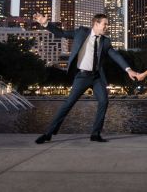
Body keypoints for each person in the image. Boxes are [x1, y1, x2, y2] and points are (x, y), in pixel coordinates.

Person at [33, 13, 138, 144]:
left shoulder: (105, 41)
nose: (107, 26)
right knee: (68, 104)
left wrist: (128, 69)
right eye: (105, 24)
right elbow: (61, 33)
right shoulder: (81, 32)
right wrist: (45, 23)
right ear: (96, 23)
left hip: (97, 77)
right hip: (82, 76)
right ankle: (48, 133)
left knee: (104, 101)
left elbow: (115, 55)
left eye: (107, 24)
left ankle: (95, 134)